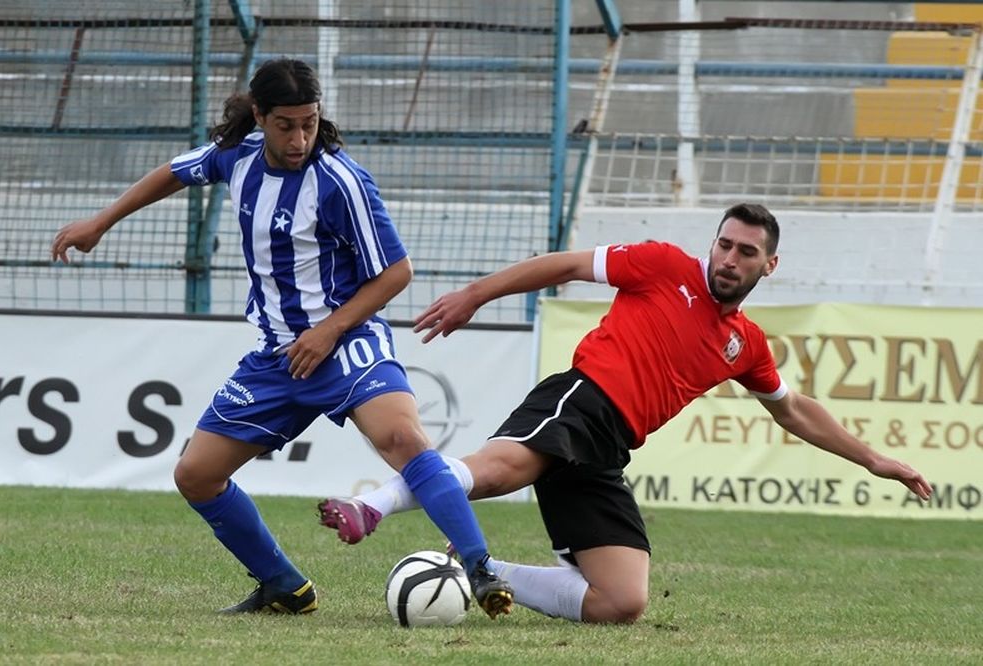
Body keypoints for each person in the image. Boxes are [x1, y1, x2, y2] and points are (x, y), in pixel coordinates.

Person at [317, 202, 934, 624]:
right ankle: (372, 504)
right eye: (724, 244)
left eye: (746, 253)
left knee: (621, 603)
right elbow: (566, 265)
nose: (729, 258)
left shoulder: (745, 343)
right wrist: (476, 293)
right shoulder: (664, 265)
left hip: (608, 450)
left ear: (768, 265)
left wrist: (876, 459)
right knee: (499, 471)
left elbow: (794, 410)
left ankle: (478, 564)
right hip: (580, 400)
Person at [50, 58, 512, 619]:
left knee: (405, 441)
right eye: (286, 125)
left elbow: (396, 272)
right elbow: (175, 170)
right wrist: (102, 221)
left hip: (347, 341)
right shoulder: (236, 157)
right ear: (260, 116)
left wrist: (330, 329)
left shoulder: (340, 181)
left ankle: (480, 568)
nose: (299, 139)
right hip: (277, 357)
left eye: (310, 124)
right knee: (196, 475)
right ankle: (284, 586)